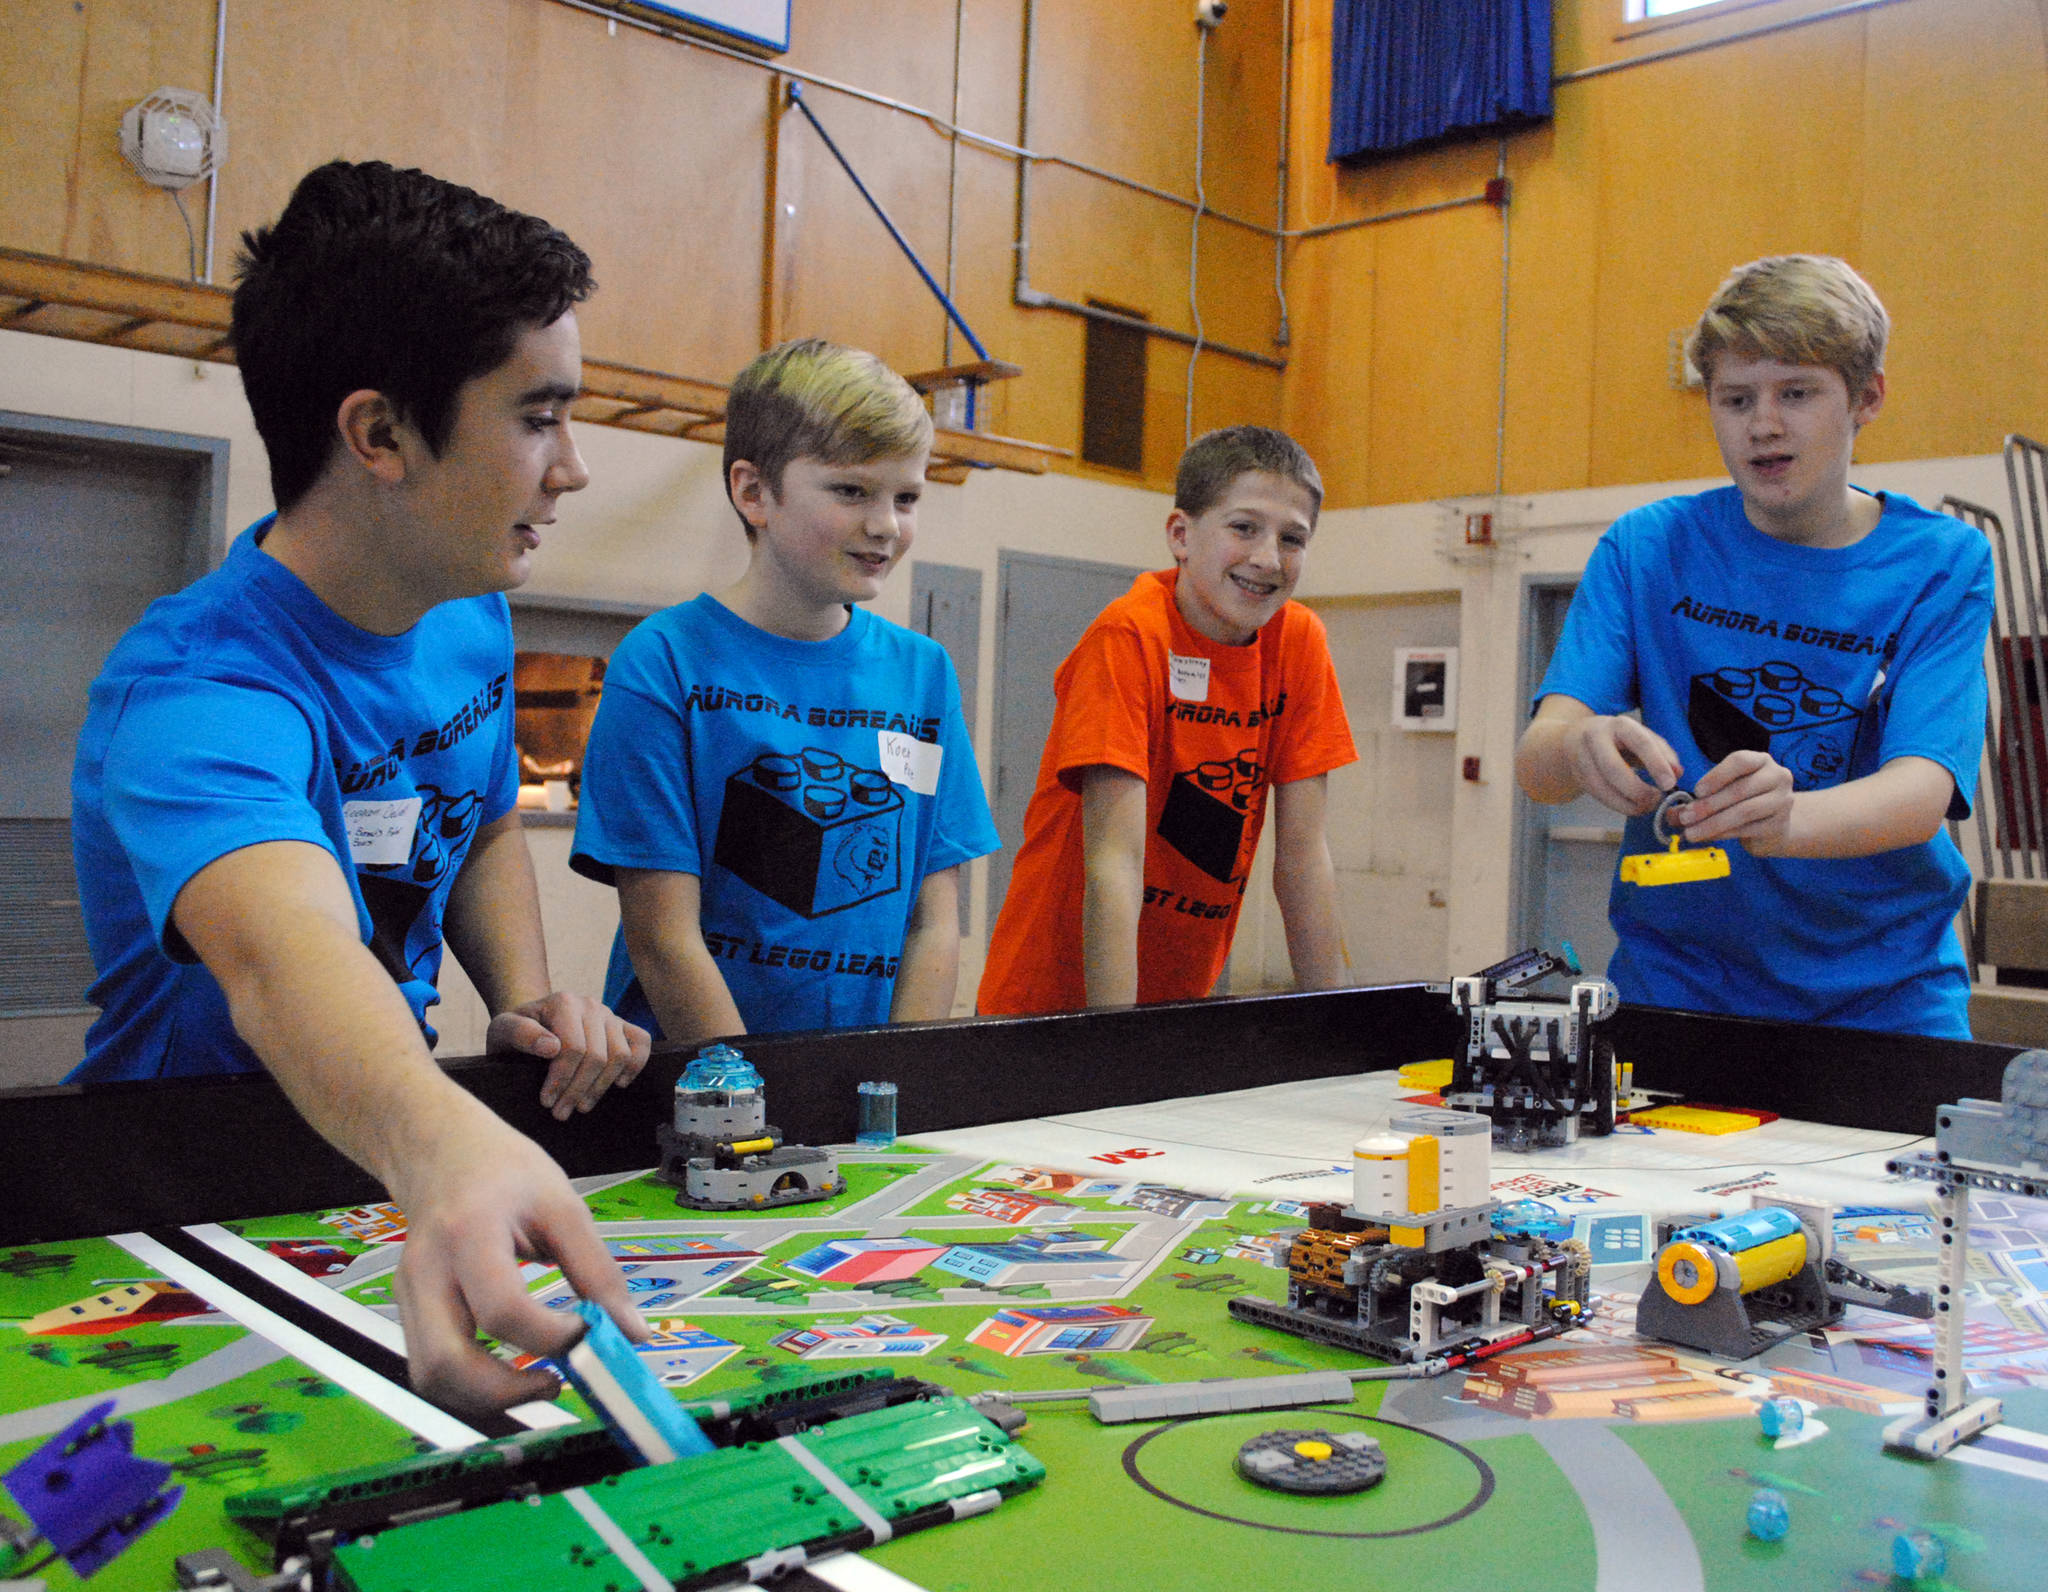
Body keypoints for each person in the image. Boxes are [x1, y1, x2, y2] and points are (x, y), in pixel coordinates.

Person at [69, 160, 653, 1413]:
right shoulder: (191, 692)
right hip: (178, 1193)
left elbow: (483, 811)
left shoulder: (466, 612)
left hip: (376, 1153)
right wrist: (443, 1142)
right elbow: (284, 951)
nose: (574, 468)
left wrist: (525, 997)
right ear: (380, 433)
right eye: (539, 416)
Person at [1514, 255, 1993, 1038]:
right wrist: (1581, 745)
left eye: (1796, 394)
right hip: (1681, 986)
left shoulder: (1943, 562)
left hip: (1883, 997)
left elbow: (1921, 790)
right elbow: (1540, 763)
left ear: (1866, 398)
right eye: (1736, 399)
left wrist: (1787, 820)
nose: (1763, 424)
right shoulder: (1647, 546)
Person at [570, 338, 999, 1046]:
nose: (886, 523)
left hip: (860, 1088)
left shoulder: (923, 673)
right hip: (703, 1087)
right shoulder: (665, 661)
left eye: (906, 496)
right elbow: (665, 940)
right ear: (752, 492)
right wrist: (751, 1105)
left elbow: (934, 922)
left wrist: (904, 1087)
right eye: (851, 490)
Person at [978, 425, 1357, 1016]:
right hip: (1053, 1003)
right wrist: (1117, 1040)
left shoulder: (1299, 642)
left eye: (1292, 538)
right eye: (1244, 528)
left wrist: (1336, 1026)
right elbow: (1115, 863)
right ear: (1181, 534)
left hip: (1176, 1002)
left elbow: (1304, 857)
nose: (1267, 558)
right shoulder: (1127, 636)